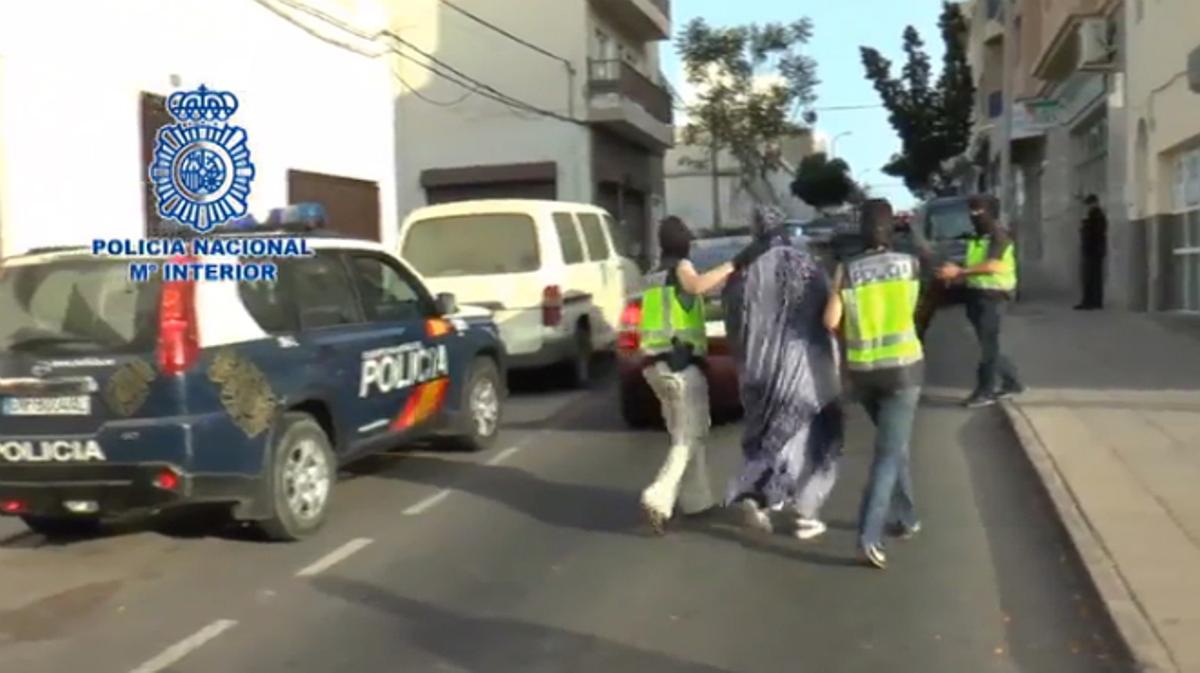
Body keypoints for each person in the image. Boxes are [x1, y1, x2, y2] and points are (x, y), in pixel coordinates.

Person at [722, 205, 844, 540]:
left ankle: (756, 494)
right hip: (803, 368)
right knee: (810, 438)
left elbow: (733, 320)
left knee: (766, 438)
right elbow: (828, 314)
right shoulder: (806, 265)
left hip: (758, 373)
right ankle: (792, 505)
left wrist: (745, 361)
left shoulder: (744, 273)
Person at [638, 216, 763, 534]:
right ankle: (659, 496)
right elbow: (696, 286)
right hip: (682, 364)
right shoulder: (680, 267)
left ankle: (697, 500)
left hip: (654, 365)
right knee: (689, 436)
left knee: (687, 431)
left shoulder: (651, 275)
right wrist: (732, 265)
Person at [824, 198, 923, 570]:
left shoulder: (846, 270)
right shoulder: (910, 264)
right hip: (903, 370)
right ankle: (869, 536)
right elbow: (914, 306)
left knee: (894, 446)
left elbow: (830, 321)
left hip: (864, 372)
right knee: (888, 454)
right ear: (891, 228)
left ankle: (908, 516)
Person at [937, 195, 1025, 407]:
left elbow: (992, 265)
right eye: (971, 211)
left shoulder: (998, 235)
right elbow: (975, 265)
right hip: (977, 293)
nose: (974, 215)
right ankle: (1012, 383)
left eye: (979, 211)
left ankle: (985, 391)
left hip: (995, 295)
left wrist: (960, 271)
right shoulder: (977, 236)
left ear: (990, 213)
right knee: (988, 344)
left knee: (987, 346)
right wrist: (956, 276)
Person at [1077, 194, 1108, 310]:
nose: (1087, 207)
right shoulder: (1096, 215)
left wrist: (1085, 223)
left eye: (1088, 204)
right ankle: (1094, 301)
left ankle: (1090, 302)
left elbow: (1092, 233)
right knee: (1094, 277)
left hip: (1092, 250)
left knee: (1090, 277)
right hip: (1095, 250)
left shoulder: (1095, 215)